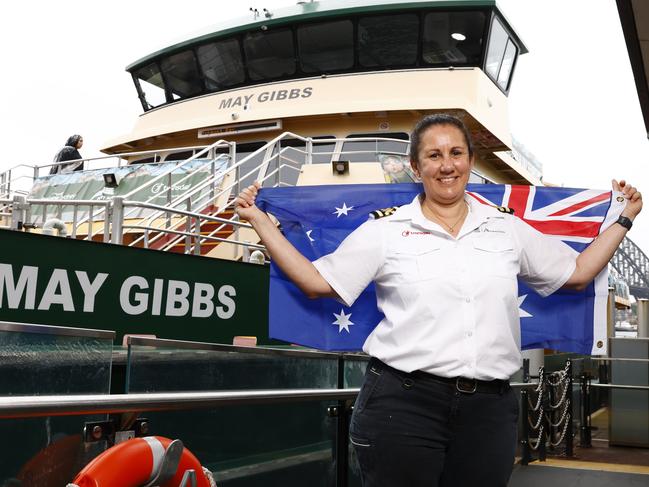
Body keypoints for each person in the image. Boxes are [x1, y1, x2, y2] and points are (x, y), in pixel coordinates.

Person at [235, 114, 643, 486]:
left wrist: (624, 218)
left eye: (456, 153)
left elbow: (576, 274)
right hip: (402, 405)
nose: (447, 165)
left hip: (488, 411)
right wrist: (259, 221)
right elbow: (314, 281)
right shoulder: (386, 230)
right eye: (434, 155)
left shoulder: (506, 229)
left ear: (469, 160)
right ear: (416, 167)